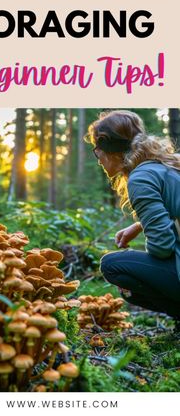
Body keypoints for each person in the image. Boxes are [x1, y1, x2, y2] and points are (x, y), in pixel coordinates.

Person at [86, 110, 180, 329]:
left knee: (114, 265)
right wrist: (140, 225)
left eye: (96, 149)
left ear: (107, 147)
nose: (97, 157)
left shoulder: (140, 178)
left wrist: (147, 233)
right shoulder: (166, 166)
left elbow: (162, 247)